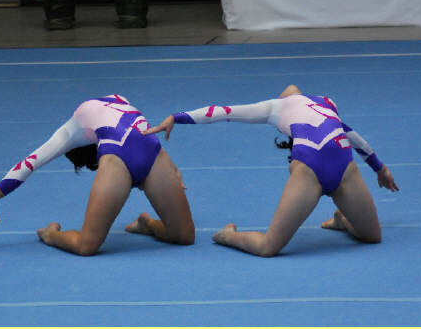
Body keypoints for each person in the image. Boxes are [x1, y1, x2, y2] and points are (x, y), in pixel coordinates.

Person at [143, 85, 398, 257]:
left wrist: (380, 168)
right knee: (268, 247)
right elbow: (224, 113)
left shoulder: (325, 102)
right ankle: (229, 236)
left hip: (345, 169)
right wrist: (176, 117)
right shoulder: (276, 107)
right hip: (309, 172)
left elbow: (347, 131)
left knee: (372, 236)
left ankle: (342, 219)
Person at [0, 94, 195, 255]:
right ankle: (51, 234)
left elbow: (30, 162)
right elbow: (134, 126)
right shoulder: (114, 101)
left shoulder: (72, 129)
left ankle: (146, 224)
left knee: (183, 236)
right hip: (123, 160)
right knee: (86, 246)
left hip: (152, 154)